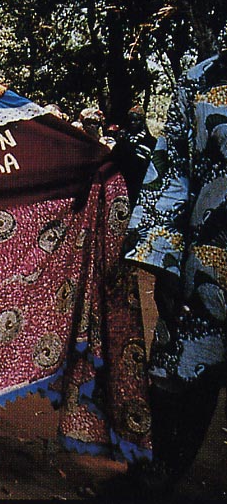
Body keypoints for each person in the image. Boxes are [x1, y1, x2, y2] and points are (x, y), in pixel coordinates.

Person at [121, 49, 226, 496]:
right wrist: (162, 262)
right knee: (177, 378)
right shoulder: (202, 80)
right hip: (203, 274)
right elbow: (172, 174)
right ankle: (156, 473)